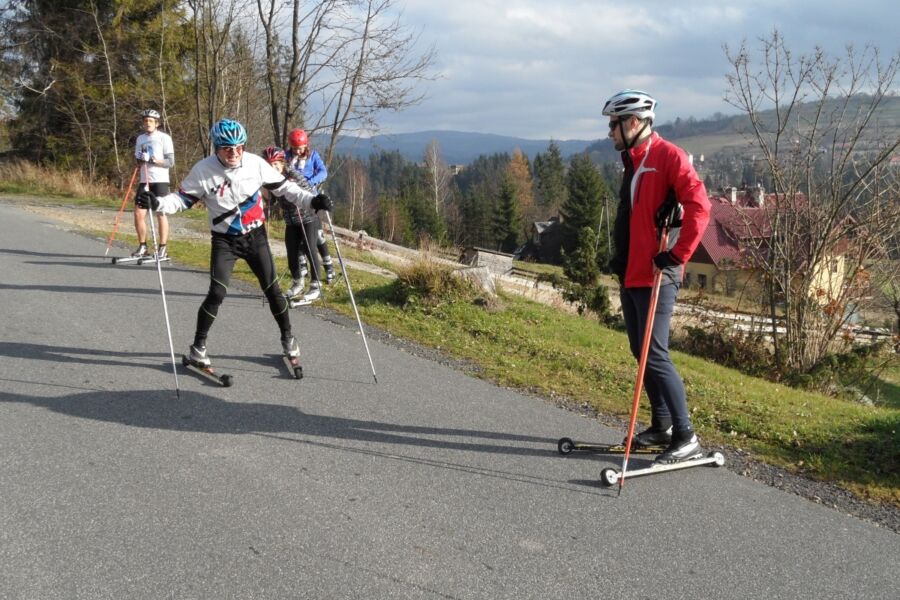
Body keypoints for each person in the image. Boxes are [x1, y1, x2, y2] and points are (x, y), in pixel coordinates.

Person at [135, 119, 332, 369]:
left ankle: (288, 338)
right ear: (216, 147)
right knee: (216, 292)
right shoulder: (203, 170)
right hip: (224, 240)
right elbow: (181, 200)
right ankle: (198, 348)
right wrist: (157, 203)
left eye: (239, 147)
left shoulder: (255, 163)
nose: (234, 153)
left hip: (255, 236)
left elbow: (286, 189)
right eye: (228, 148)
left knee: (272, 290)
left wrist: (314, 201)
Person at [603, 89, 711, 464]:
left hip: (657, 274)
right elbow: (632, 217)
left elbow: (700, 207)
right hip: (632, 272)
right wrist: (619, 257)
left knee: (656, 353)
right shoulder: (633, 161)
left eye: (614, 124)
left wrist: (677, 255)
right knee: (640, 350)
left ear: (634, 122)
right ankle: (662, 424)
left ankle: (686, 435)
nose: (610, 132)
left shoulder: (668, 157)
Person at [261, 145, 320, 302]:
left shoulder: (293, 174)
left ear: (282, 164)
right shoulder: (269, 180)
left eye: (275, 165)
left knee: (310, 249)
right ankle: (297, 282)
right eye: (269, 165)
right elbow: (271, 202)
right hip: (290, 220)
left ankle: (315, 285)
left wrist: (295, 190)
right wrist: (266, 197)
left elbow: (308, 192)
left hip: (307, 217)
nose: (272, 168)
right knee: (291, 251)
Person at [285, 128, 335, 289]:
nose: (298, 151)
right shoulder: (287, 157)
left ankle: (328, 266)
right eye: (295, 149)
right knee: (297, 238)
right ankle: (302, 267)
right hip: (294, 201)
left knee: (317, 236)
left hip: (311, 199)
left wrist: (310, 182)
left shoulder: (312, 156)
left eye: (300, 148)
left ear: (306, 145)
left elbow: (323, 172)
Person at [132, 109, 174, 259]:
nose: (147, 123)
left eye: (150, 121)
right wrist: (139, 159)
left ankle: (162, 248)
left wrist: (155, 160)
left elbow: (171, 162)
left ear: (157, 123)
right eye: (145, 121)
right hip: (145, 180)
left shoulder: (164, 138)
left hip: (160, 180)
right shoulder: (140, 139)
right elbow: (138, 161)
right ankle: (143, 246)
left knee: (160, 213)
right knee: (138, 213)